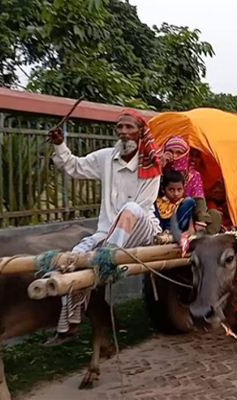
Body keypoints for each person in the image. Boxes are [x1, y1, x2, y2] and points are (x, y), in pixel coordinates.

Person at [46, 109, 162, 345]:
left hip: (143, 230)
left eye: (129, 128)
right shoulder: (106, 158)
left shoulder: (151, 163)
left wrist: (107, 250)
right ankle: (70, 324)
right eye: (120, 127)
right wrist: (60, 144)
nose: (124, 132)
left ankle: (106, 260)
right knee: (74, 257)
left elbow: (142, 206)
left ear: (140, 133)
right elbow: (74, 166)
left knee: (130, 208)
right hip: (108, 233)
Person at [161, 136, 221, 234]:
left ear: (185, 154)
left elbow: (199, 200)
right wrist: (160, 165)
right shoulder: (159, 172)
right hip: (164, 215)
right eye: (170, 152)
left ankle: (198, 240)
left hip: (190, 216)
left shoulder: (193, 175)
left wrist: (200, 221)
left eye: (179, 153)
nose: (174, 156)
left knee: (214, 215)